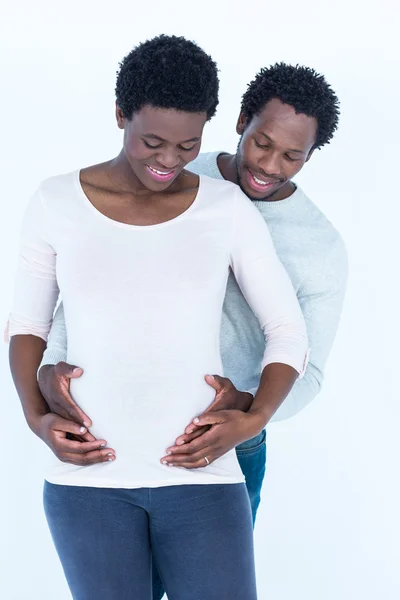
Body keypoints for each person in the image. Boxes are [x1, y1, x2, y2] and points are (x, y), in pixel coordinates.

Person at [8, 36, 308, 600]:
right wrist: (35, 419)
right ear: (121, 114)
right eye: (152, 142)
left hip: (202, 480)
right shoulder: (55, 202)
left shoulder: (226, 208)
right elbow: (28, 326)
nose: (169, 160)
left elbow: (287, 331)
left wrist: (253, 417)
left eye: (187, 144)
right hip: (89, 482)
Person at [39, 62, 347, 523]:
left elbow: (312, 373)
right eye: (262, 143)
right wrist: (51, 362)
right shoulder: (174, 170)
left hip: (228, 440)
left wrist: (248, 411)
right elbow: (92, 276)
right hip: (116, 415)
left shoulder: (320, 246)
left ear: (309, 156)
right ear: (242, 121)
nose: (268, 165)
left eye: (291, 156)